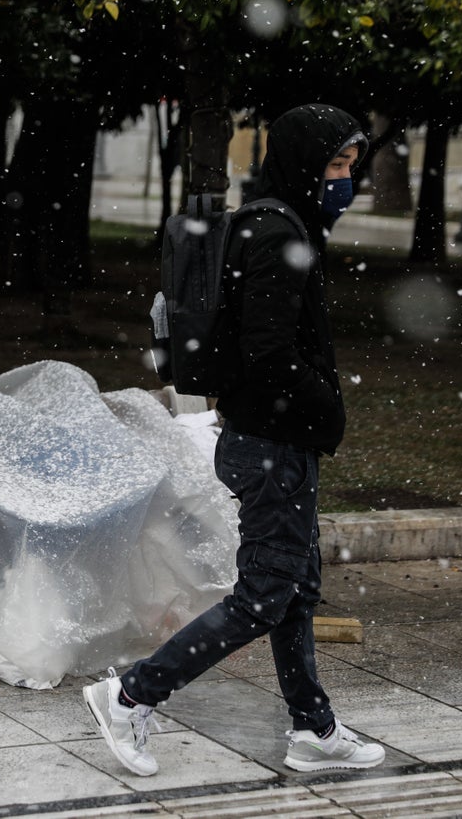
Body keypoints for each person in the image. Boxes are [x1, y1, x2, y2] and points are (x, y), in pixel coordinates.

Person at [84, 104, 385, 777]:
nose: (344, 179)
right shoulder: (278, 233)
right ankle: (131, 692)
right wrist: (326, 409)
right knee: (265, 593)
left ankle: (313, 728)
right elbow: (270, 352)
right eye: (336, 164)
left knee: (295, 587)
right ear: (308, 161)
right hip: (274, 443)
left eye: (350, 166)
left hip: (267, 438)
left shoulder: (268, 220)